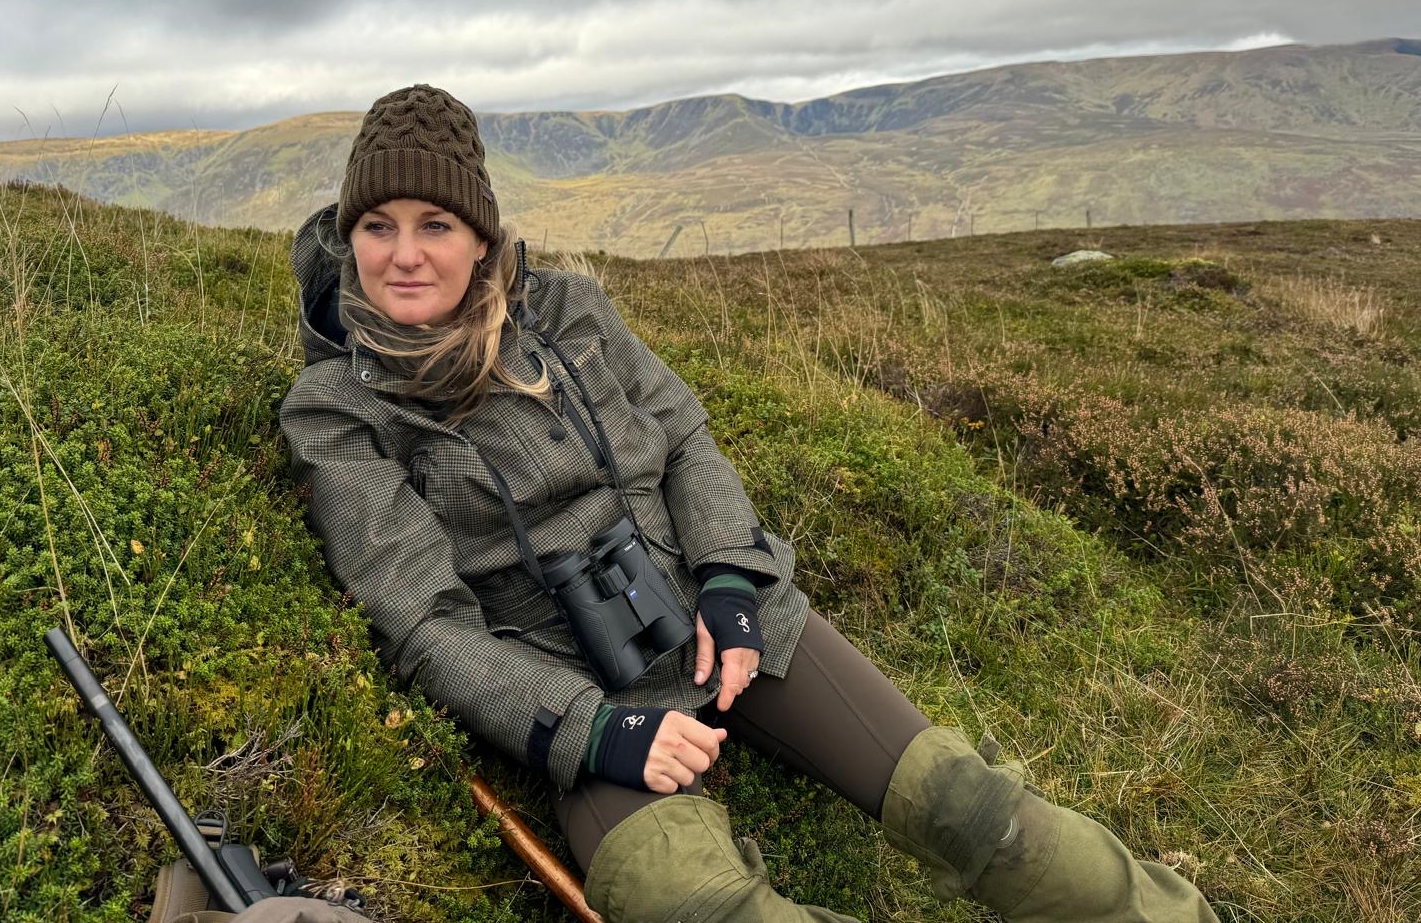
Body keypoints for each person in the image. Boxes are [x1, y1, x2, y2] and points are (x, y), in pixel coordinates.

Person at [279, 86, 1217, 922]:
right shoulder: (335, 410)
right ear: (347, 233)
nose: (404, 256)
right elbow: (424, 625)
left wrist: (730, 582)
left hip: (724, 618)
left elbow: (681, 434)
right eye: (378, 226)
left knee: (968, 809)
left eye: (435, 223)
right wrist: (592, 731)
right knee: (693, 904)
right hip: (578, 684)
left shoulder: (567, 309)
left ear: (481, 234)